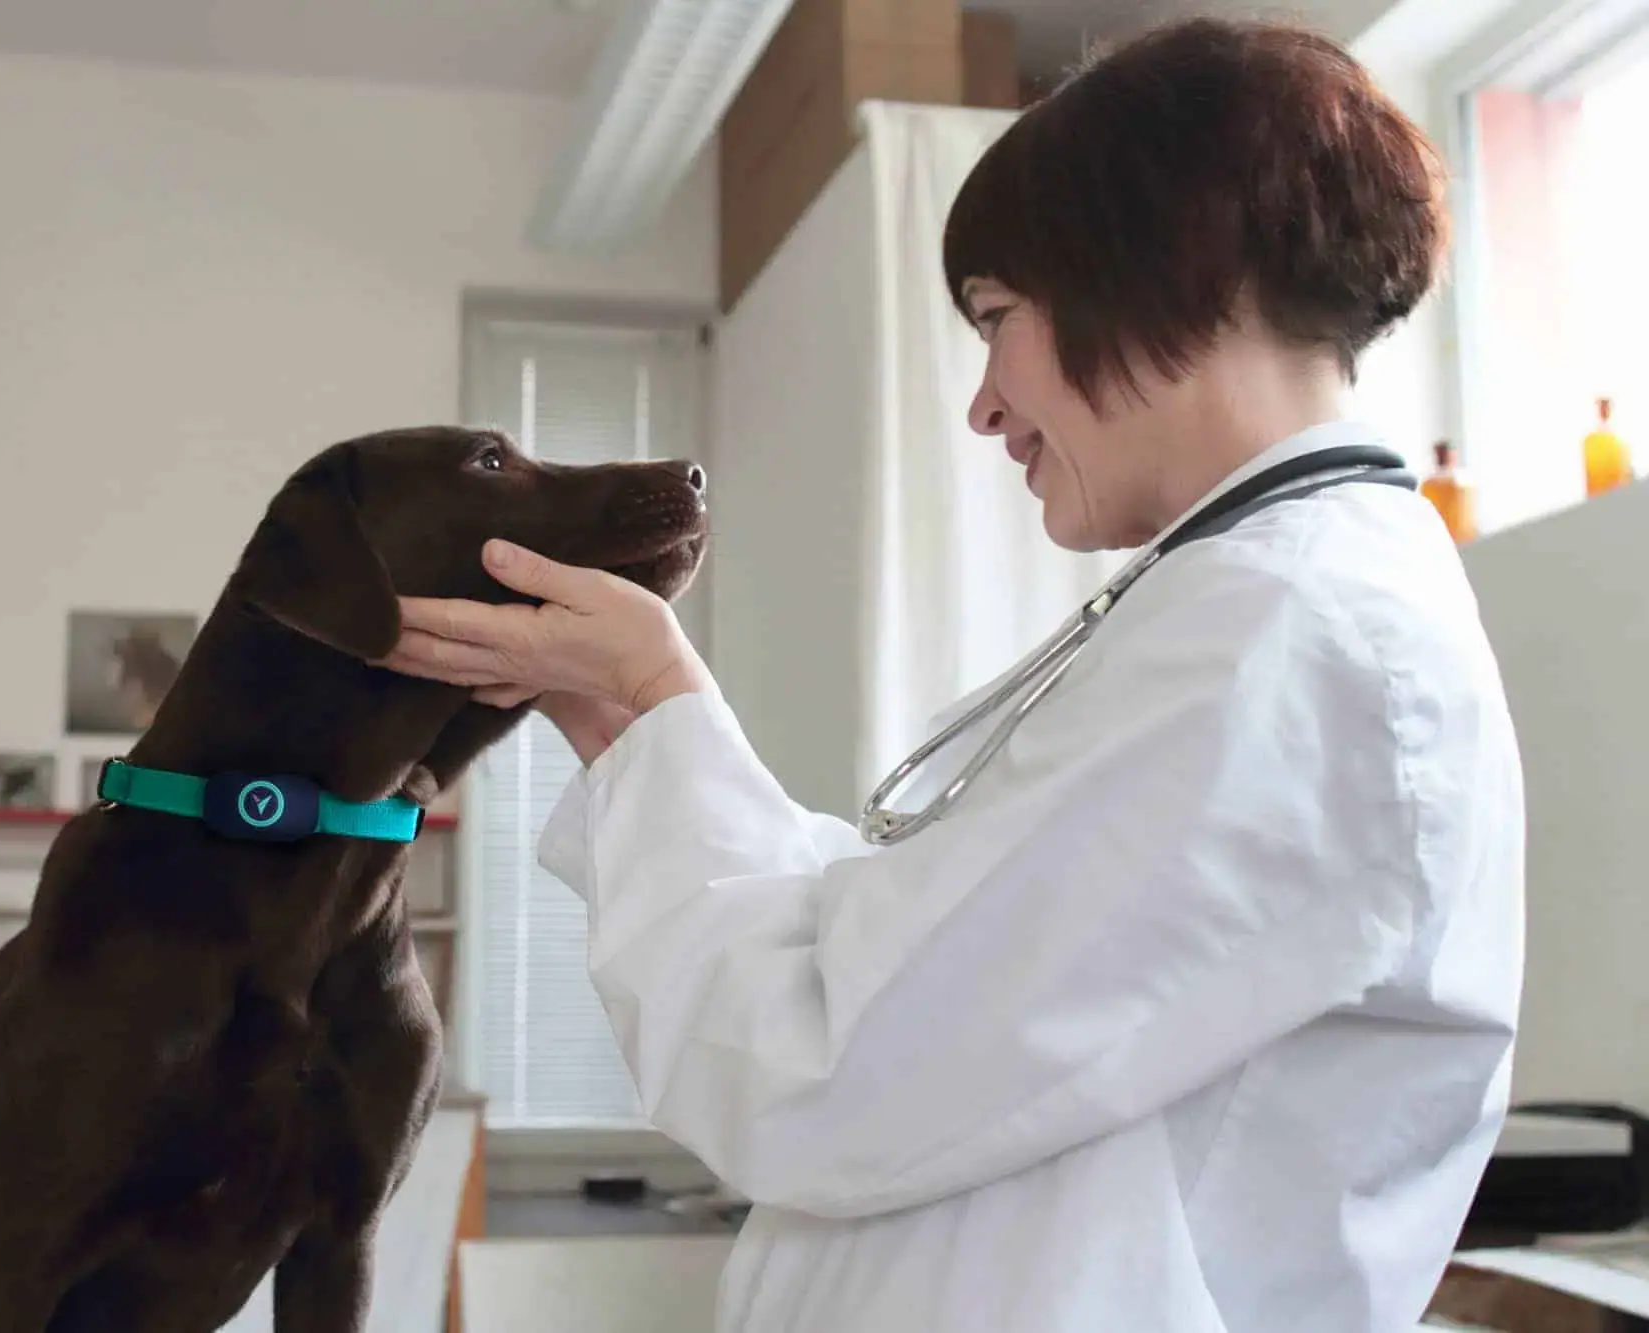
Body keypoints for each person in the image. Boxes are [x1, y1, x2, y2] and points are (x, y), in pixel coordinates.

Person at [380, 16, 1524, 1333]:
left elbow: (831, 1072)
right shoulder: (1253, 609)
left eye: (997, 319)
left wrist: (652, 714)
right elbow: (902, 966)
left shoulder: (1288, 636)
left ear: (1167, 267)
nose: (984, 403)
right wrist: (635, 715)